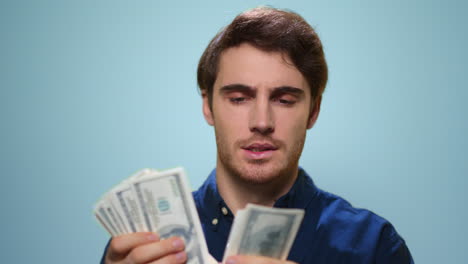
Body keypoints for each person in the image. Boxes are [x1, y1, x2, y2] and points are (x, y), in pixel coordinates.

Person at [101, 6, 414, 264]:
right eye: (239, 99)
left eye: (284, 100)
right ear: (208, 107)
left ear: (313, 111)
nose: (262, 121)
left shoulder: (374, 246)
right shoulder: (142, 245)